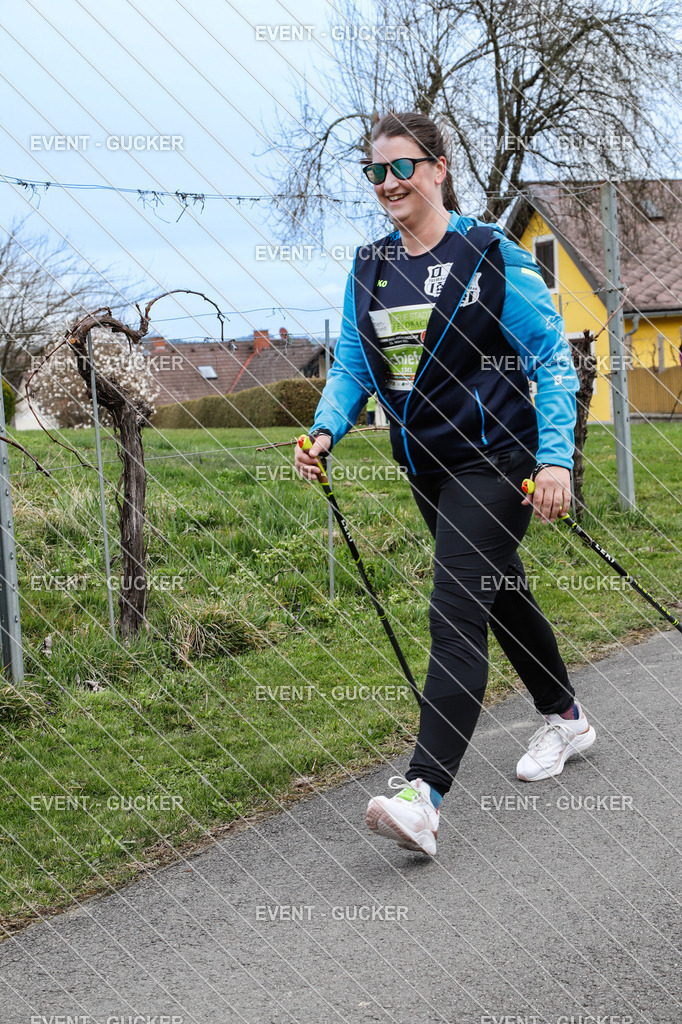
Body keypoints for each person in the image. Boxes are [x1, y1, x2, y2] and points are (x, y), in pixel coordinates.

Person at [294, 111, 596, 858]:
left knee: (455, 609)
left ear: (439, 167)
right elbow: (354, 367)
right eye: (376, 172)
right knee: (502, 593)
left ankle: (423, 796)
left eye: (403, 168)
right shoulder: (369, 266)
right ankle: (566, 716)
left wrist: (554, 459)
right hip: (426, 466)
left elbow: (552, 359)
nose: (389, 184)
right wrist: (327, 427)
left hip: (499, 462)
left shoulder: (489, 253)